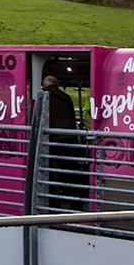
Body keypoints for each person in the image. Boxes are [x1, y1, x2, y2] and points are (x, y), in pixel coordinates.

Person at [42, 75, 87, 210]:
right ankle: (75, 203)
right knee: (71, 173)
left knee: (49, 172)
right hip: (70, 140)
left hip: (54, 142)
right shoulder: (66, 97)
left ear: (45, 86)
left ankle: (51, 202)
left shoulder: (45, 97)